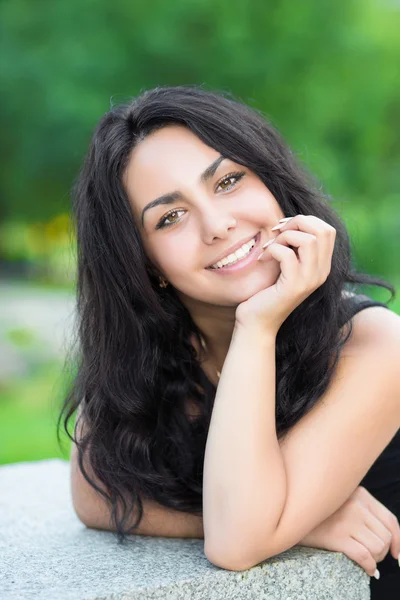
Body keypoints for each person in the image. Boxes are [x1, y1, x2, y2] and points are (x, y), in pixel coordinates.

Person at [59, 85, 400, 597]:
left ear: (273, 185)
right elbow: (94, 493)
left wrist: (257, 326)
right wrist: (293, 522)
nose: (218, 225)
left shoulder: (374, 343)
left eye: (228, 180)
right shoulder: (149, 354)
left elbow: (237, 543)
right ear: (146, 266)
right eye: (169, 217)